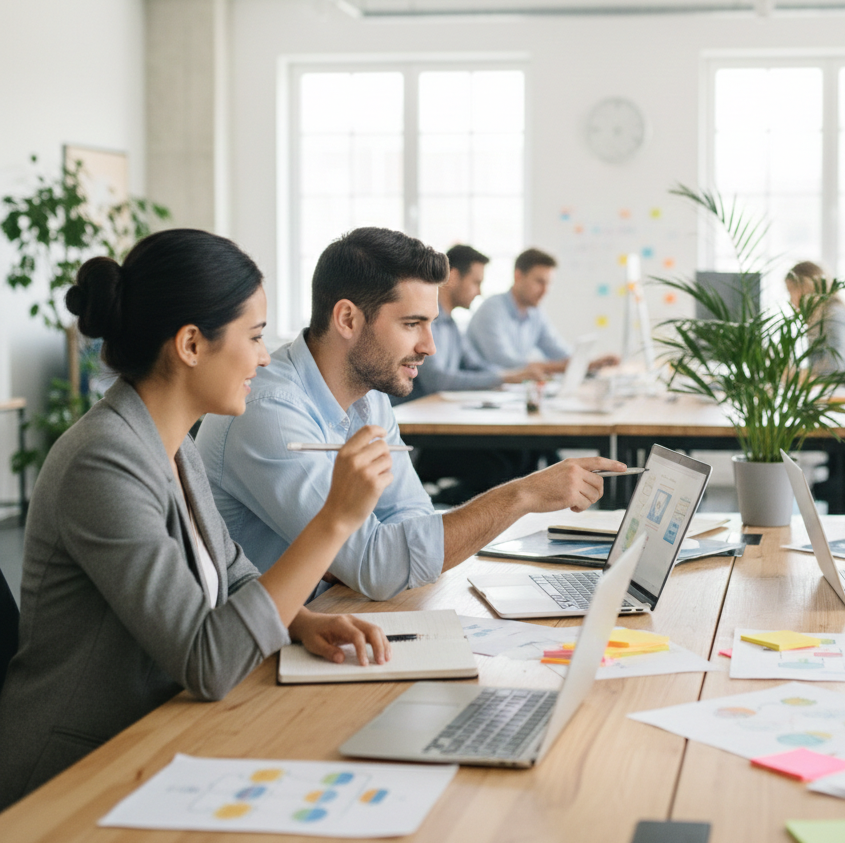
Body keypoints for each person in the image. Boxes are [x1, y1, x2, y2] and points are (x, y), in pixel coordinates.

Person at [0, 230, 391, 810]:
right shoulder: (102, 461)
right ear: (190, 344)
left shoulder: (170, 441)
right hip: (73, 776)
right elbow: (207, 661)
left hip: (156, 738)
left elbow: (229, 572)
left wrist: (303, 620)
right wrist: (334, 521)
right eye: (254, 336)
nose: (264, 355)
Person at [196, 227, 625, 602]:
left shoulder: (371, 398)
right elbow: (378, 566)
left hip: (335, 616)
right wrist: (523, 496)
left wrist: (372, 556)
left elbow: (408, 518)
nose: (429, 346)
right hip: (264, 657)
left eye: (432, 323)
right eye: (411, 324)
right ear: (347, 318)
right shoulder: (269, 411)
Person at [397, 244, 546, 404]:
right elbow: (436, 379)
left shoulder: (451, 325)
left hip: (435, 410)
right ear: (452, 277)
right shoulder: (426, 322)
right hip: (414, 415)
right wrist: (504, 377)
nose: (479, 292)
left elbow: (475, 365)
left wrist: (514, 375)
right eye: (476, 282)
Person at [466, 247, 619, 373]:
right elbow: (506, 363)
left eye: (549, 284)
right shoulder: (492, 310)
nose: (545, 291)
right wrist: (564, 367)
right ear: (518, 276)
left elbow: (560, 352)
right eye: (539, 282)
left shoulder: (535, 313)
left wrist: (591, 362)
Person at [785, 260, 845, 410]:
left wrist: (794, 376)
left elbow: (832, 371)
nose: (791, 300)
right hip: (839, 398)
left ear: (806, 288)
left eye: (791, 291)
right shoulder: (821, 316)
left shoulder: (833, 317)